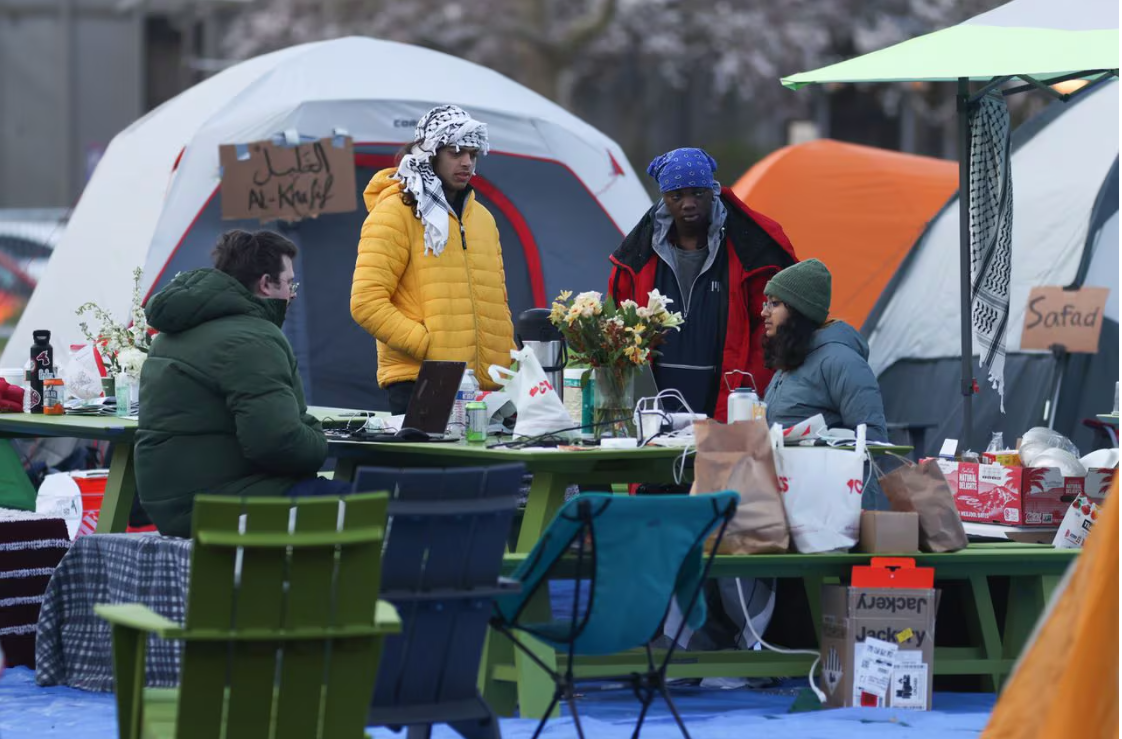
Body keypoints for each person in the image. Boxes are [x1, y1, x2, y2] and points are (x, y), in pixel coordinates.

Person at [136, 230, 343, 538]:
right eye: (289, 283)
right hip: (223, 504)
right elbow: (278, 443)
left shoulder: (174, 331)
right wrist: (316, 435)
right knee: (375, 507)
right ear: (265, 283)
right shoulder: (253, 337)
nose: (292, 294)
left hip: (176, 504)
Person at [609, 147, 797, 421]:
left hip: (730, 399)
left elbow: (771, 326)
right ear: (664, 198)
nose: (688, 203)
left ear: (714, 191)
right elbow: (621, 324)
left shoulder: (752, 250)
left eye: (698, 193)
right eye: (677, 195)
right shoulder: (637, 257)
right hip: (654, 407)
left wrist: (750, 387)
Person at [352, 104, 514, 415]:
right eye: (456, 152)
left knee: (486, 465)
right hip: (421, 380)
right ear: (431, 154)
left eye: (473, 153)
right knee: (432, 465)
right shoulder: (394, 213)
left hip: (486, 389)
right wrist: (431, 346)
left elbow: (498, 302)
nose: (467, 162)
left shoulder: (483, 219)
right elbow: (366, 302)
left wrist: (511, 360)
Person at [761, 258, 889, 441]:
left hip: (824, 469)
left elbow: (873, 440)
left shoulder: (842, 361)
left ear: (799, 309)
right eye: (766, 303)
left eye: (774, 303)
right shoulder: (792, 359)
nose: (764, 312)